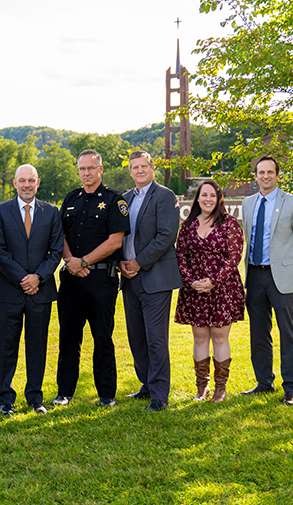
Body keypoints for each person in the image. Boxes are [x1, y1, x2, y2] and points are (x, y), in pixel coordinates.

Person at [54, 149, 129, 408]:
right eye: (82, 169)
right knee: (68, 337)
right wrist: (71, 263)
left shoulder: (113, 200)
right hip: (71, 279)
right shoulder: (71, 198)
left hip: (101, 281)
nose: (86, 173)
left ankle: (106, 394)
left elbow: (115, 240)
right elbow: (60, 235)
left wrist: (84, 262)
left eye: (91, 168)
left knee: (102, 338)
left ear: (100, 169)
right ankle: (64, 392)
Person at [0, 164, 63, 416]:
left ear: (38, 182)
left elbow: (56, 252)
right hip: (9, 291)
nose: (27, 185)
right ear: (14, 183)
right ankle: (4, 398)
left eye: (31, 180)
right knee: (6, 346)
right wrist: (23, 278)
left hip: (40, 293)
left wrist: (38, 278)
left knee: (37, 346)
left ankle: (35, 396)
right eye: (22, 181)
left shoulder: (52, 212)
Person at [241, 155, 293, 405]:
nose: (265, 176)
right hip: (254, 275)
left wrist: (292, 272)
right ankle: (264, 382)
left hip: (280, 277)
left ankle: (291, 387)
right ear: (256, 176)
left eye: (270, 172)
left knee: (288, 333)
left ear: (277, 175)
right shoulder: (247, 204)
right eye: (261, 172)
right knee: (259, 333)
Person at [120, 151, 181, 412]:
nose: (139, 171)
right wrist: (121, 262)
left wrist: (138, 262)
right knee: (137, 337)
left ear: (152, 168)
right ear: (130, 171)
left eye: (144, 166)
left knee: (156, 338)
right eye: (135, 167)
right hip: (129, 279)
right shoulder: (124, 199)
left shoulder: (165, 196)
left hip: (155, 278)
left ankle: (159, 394)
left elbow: (166, 236)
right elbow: (118, 235)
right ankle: (146, 384)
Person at [174, 180, 245, 403]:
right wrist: (191, 281)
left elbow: (234, 257)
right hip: (195, 290)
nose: (208, 199)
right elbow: (180, 256)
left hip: (222, 289)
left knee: (220, 337)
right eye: (204, 195)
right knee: (200, 337)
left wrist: (214, 281)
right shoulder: (187, 226)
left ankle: (220, 389)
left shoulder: (230, 224)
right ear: (197, 198)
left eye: (212, 196)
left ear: (219, 198)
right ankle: (202, 387)